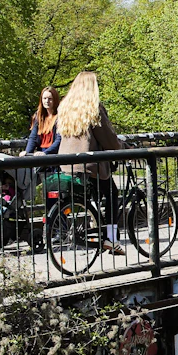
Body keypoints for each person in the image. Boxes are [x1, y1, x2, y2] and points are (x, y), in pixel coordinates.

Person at [54, 70, 125, 254]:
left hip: (67, 164)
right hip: (88, 165)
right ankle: (112, 238)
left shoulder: (65, 107)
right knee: (112, 193)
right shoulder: (93, 108)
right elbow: (108, 140)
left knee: (92, 196)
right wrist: (122, 147)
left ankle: (96, 226)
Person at [24, 86, 62, 156]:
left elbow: (59, 140)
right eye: (44, 98)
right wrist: (27, 152)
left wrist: (46, 153)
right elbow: (33, 137)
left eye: (50, 99)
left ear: (55, 100)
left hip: (54, 155)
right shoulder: (39, 117)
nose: (47, 101)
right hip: (40, 153)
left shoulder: (60, 117)